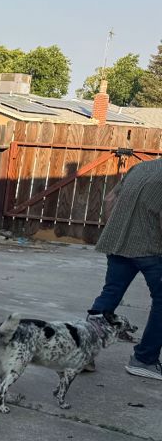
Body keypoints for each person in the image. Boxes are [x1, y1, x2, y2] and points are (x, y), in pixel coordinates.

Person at [89, 157, 162, 380]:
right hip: (150, 248)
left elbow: (110, 199)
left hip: (118, 243)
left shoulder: (141, 167)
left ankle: (82, 353)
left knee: (110, 293)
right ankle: (144, 360)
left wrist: (117, 230)